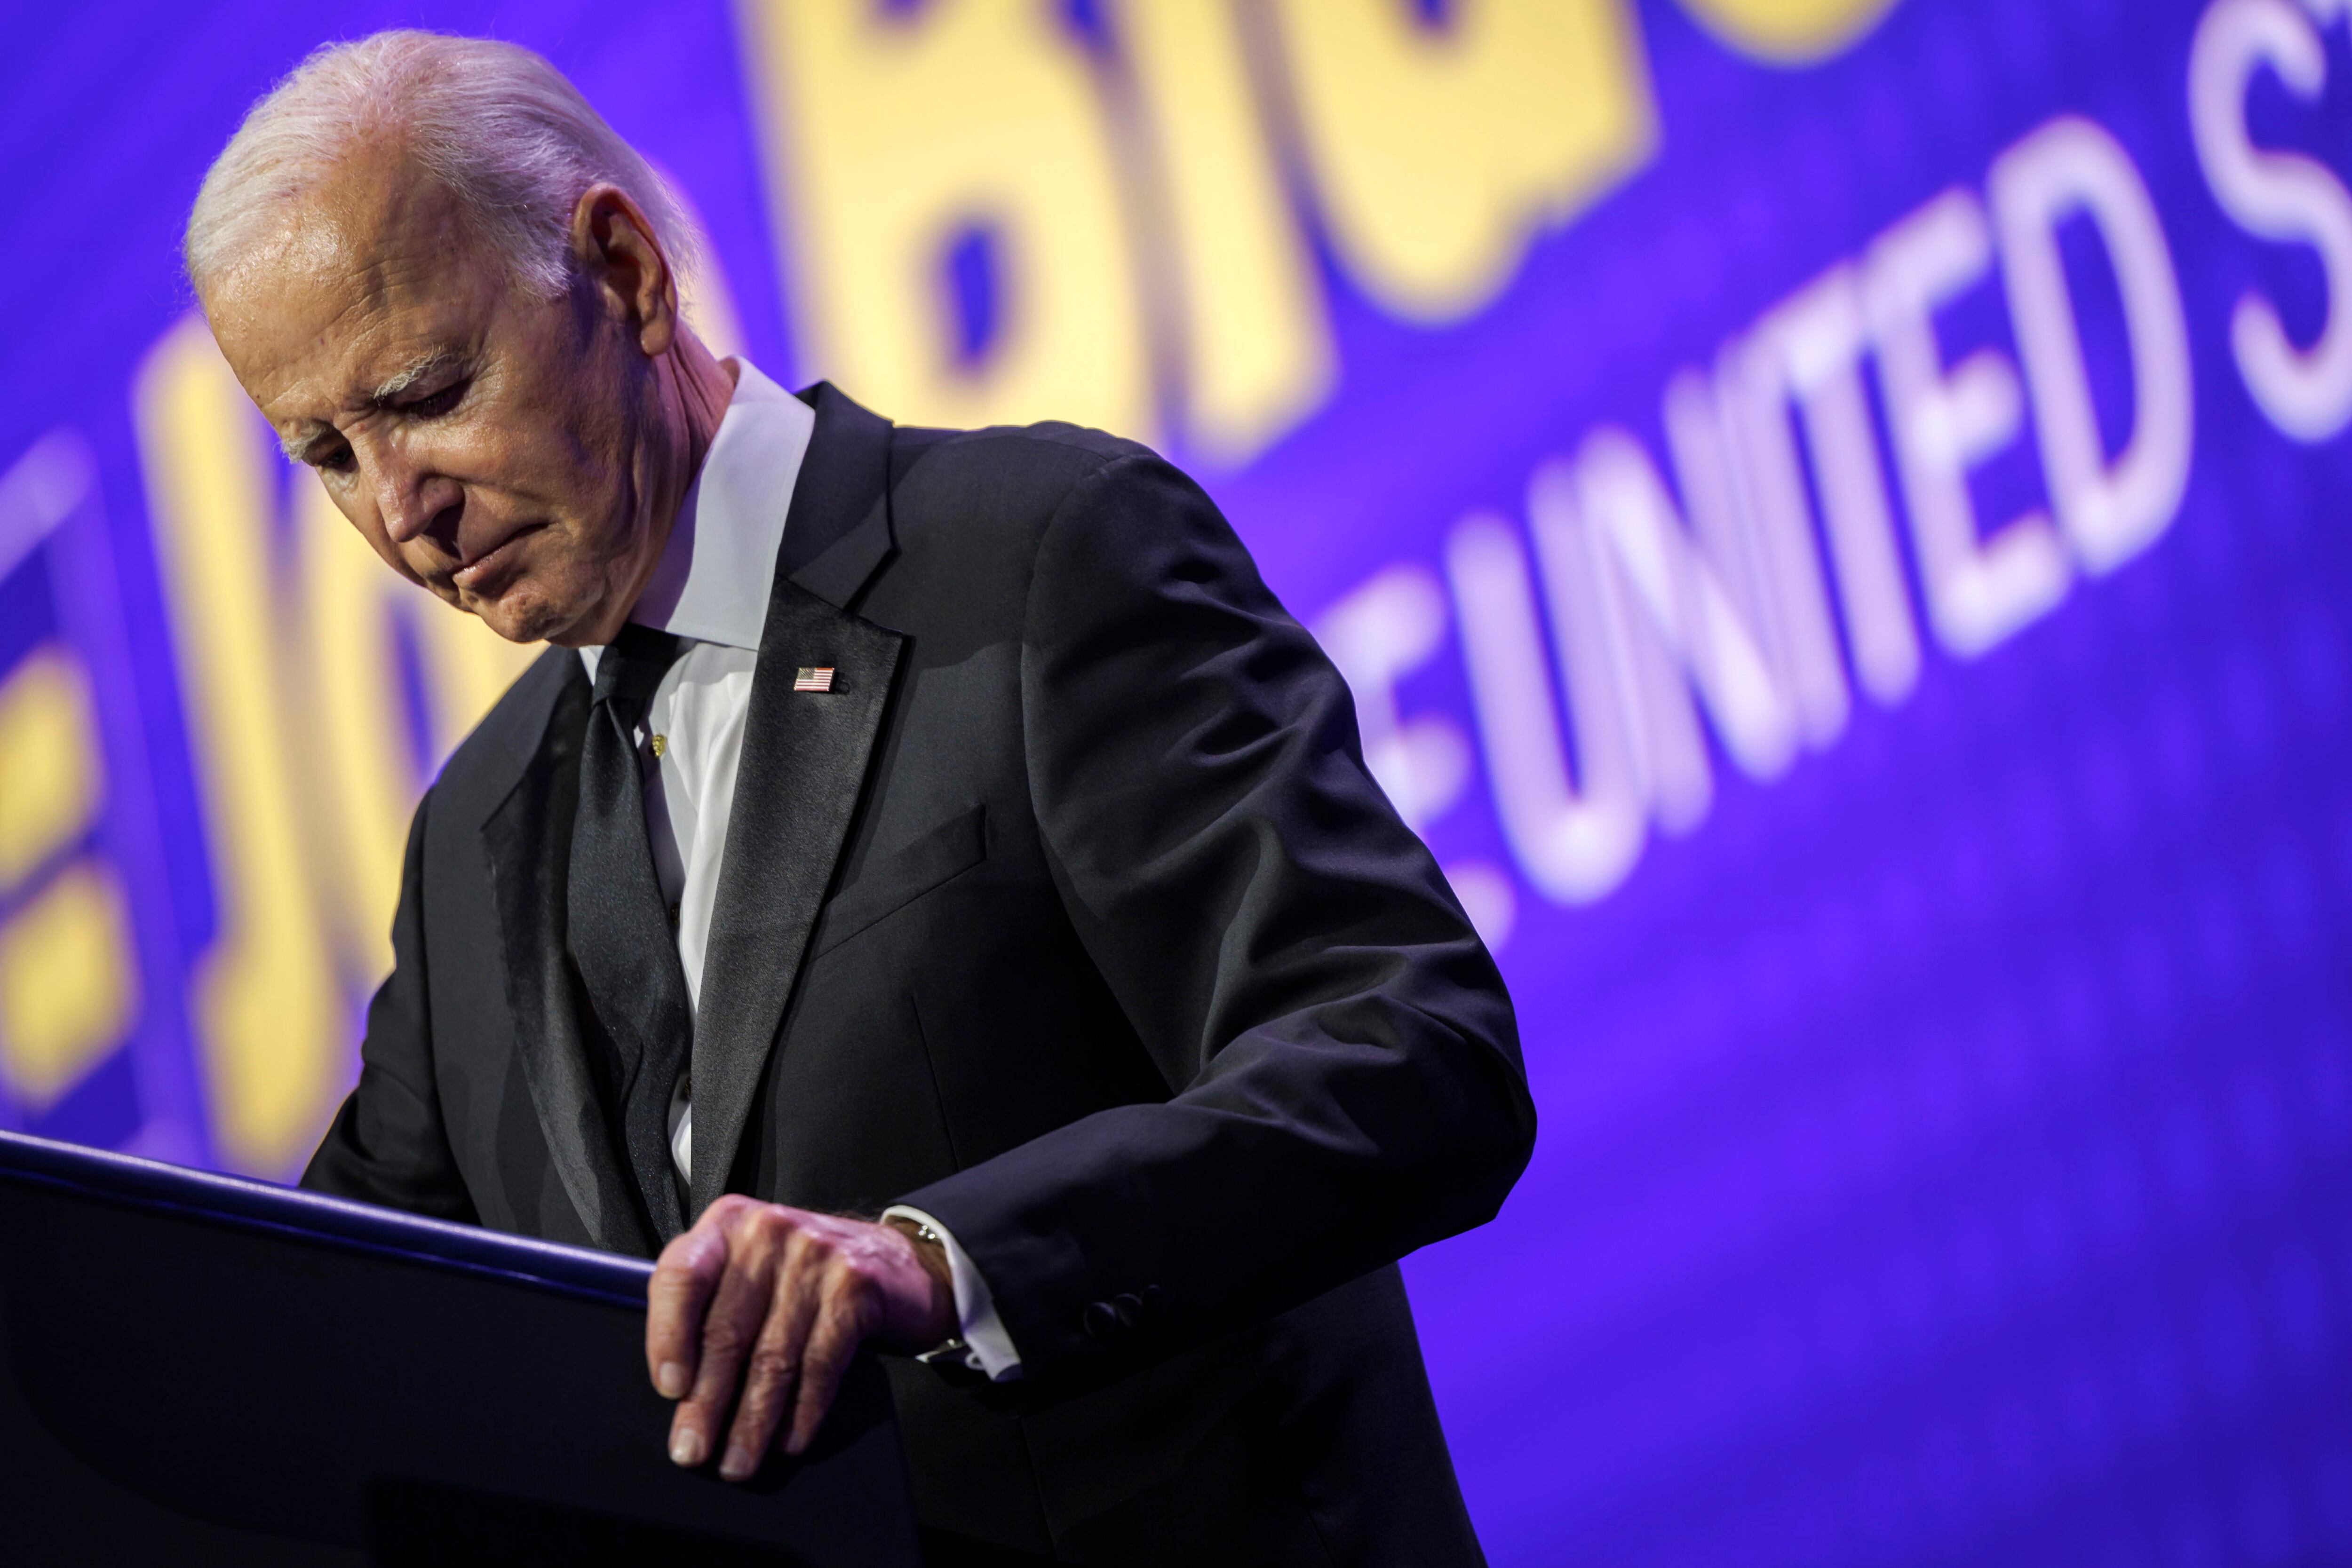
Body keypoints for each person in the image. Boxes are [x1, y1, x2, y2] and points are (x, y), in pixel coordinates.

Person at [185, 30, 1534, 1565]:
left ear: (624, 273)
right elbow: (339, 1327)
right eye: (325, 456)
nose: (400, 513)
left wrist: (940, 1266)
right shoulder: (473, 844)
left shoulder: (1036, 559)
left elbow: (1411, 1053)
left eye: (425, 393)